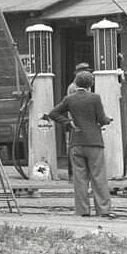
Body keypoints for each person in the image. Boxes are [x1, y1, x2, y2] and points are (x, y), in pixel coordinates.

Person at [44, 70, 114, 217]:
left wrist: (68, 124)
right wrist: (108, 120)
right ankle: (104, 210)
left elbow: (53, 113)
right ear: (91, 84)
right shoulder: (95, 98)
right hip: (94, 142)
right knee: (98, 176)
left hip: (76, 142)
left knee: (80, 178)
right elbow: (101, 119)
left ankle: (82, 210)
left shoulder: (69, 99)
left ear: (76, 83)